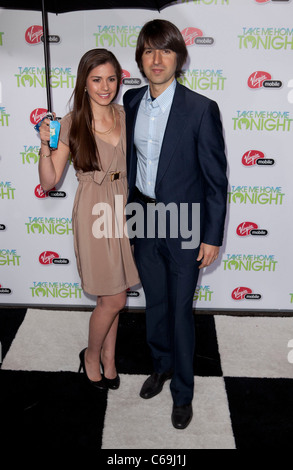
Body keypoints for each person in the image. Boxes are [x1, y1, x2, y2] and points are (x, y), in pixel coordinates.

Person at [123, 20, 228, 429]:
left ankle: (183, 392)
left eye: (165, 50)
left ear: (179, 57)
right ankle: (161, 366)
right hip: (144, 217)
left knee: (181, 310)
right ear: (140, 59)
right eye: (149, 51)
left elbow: (216, 180)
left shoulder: (201, 109)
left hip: (185, 224)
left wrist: (211, 236)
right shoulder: (130, 102)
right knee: (156, 304)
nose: (156, 59)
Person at [38, 48, 139, 391]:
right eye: (96, 79)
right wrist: (44, 146)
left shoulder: (128, 115)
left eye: (111, 78)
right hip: (93, 207)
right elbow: (49, 181)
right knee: (114, 299)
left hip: (126, 207)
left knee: (112, 292)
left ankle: (110, 359)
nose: (104, 86)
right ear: (84, 83)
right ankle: (92, 356)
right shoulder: (71, 122)